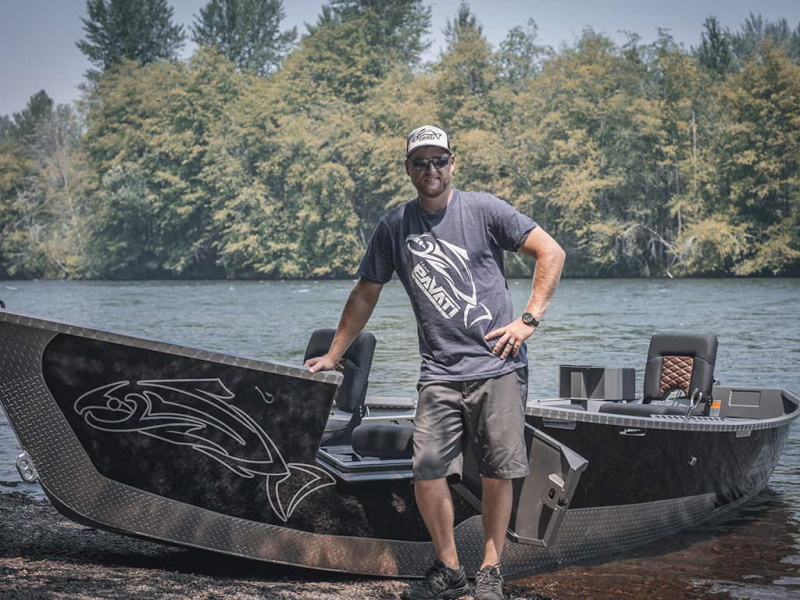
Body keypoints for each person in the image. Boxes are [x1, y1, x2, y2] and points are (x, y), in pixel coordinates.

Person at [306, 125, 565, 600]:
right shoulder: (394, 225)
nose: (432, 169)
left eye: (439, 160)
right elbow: (366, 292)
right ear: (408, 169)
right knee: (426, 470)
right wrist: (334, 355)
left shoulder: (484, 210)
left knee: (497, 472)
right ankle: (449, 568)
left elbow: (550, 252)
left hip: (498, 366)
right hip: (439, 371)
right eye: (421, 162)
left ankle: (490, 571)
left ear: (452, 163)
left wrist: (528, 320)